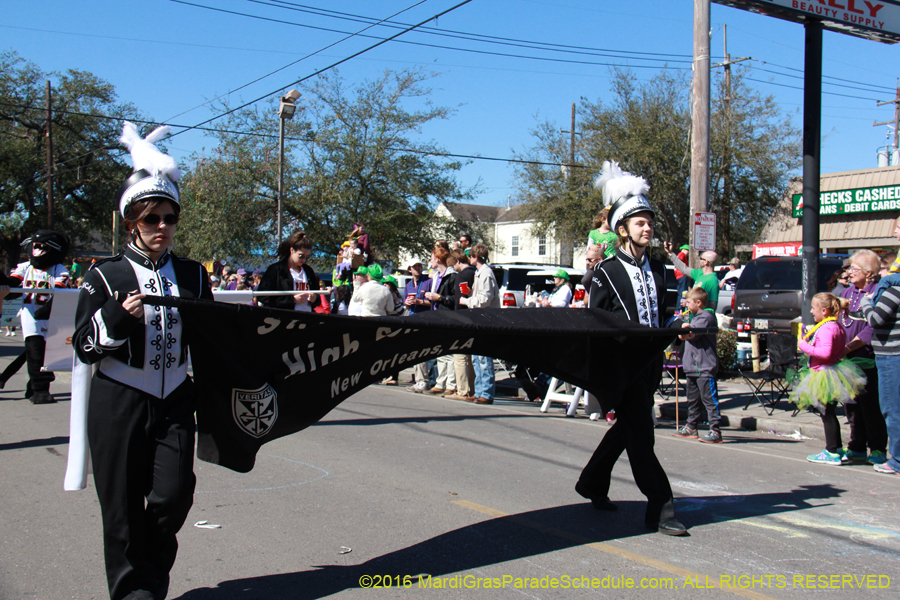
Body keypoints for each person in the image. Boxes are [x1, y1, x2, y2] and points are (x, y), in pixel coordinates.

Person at [71, 121, 213, 600]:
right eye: (150, 219)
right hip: (119, 398)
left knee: (173, 498)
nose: (160, 228)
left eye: (169, 218)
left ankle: (150, 575)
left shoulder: (194, 275)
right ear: (131, 221)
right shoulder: (105, 276)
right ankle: (137, 593)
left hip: (175, 395)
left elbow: (212, 337)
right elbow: (84, 348)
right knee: (122, 508)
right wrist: (117, 317)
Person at [577, 160, 687, 536]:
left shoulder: (661, 270)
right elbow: (595, 322)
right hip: (620, 367)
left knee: (629, 429)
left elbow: (665, 315)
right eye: (640, 222)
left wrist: (677, 330)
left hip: (651, 365)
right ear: (622, 228)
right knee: (642, 434)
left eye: (650, 222)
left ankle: (592, 482)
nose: (648, 227)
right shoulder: (605, 270)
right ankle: (661, 505)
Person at [791, 293, 866, 465]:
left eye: (813, 308)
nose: (811, 311)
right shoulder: (834, 325)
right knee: (828, 413)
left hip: (824, 375)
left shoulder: (826, 328)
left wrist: (803, 345)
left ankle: (831, 451)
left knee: (827, 414)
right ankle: (837, 448)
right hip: (832, 372)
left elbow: (825, 353)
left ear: (824, 311)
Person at [0, 230, 70, 403]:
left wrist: (48, 309)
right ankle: (40, 389)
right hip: (30, 315)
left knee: (36, 353)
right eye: (35, 245)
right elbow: (12, 287)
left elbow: (61, 292)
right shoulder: (25, 267)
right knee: (36, 352)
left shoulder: (58, 269)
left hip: (50, 316)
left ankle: (22, 384)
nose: (38, 249)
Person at [839, 250, 888, 465]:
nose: (849, 272)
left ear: (868, 273)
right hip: (847, 359)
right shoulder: (848, 293)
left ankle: (877, 448)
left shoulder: (877, 292)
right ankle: (856, 445)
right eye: (849, 268)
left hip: (867, 359)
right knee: (852, 406)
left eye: (854, 269)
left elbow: (870, 329)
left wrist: (847, 348)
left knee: (870, 407)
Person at [860, 263, 900, 475]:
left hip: (892, 355)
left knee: (892, 408)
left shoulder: (894, 290)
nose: (880, 273)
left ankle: (897, 460)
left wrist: (866, 303)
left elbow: (875, 319)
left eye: (884, 267)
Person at [671, 288, 722, 443]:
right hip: (692, 367)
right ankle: (691, 426)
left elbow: (692, 334)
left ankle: (715, 430)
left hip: (704, 367)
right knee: (692, 399)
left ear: (698, 303)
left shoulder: (705, 316)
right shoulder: (693, 316)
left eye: (689, 302)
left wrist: (683, 330)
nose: (686, 305)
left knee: (709, 400)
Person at [460, 243, 501, 404]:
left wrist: (467, 300)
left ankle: (487, 393)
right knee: (477, 358)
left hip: (486, 319)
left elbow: (485, 299)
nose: (469, 258)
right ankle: (479, 391)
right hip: (479, 319)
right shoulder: (479, 273)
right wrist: (471, 293)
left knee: (484, 357)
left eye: (470, 256)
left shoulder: (486, 274)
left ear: (476, 257)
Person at [257, 231, 321, 312]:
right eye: (301, 256)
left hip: (306, 318)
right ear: (292, 250)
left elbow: (318, 297)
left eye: (306, 257)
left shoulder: (308, 271)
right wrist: (291, 300)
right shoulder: (276, 270)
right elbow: (262, 296)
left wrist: (314, 298)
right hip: (284, 318)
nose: (304, 259)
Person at [423, 247, 457, 395]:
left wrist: (440, 298)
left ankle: (451, 384)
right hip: (437, 315)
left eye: (431, 257)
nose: (430, 260)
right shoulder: (436, 275)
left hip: (448, 316)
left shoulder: (452, 276)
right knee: (440, 352)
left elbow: (455, 299)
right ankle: (440, 382)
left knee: (449, 353)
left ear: (437, 259)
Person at [446, 248, 476, 400]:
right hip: (473, 317)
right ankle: (471, 388)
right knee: (469, 357)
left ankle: (462, 390)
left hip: (462, 317)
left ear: (458, 261)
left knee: (460, 356)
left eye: (453, 265)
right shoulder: (474, 272)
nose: (452, 268)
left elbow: (463, 296)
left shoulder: (462, 275)